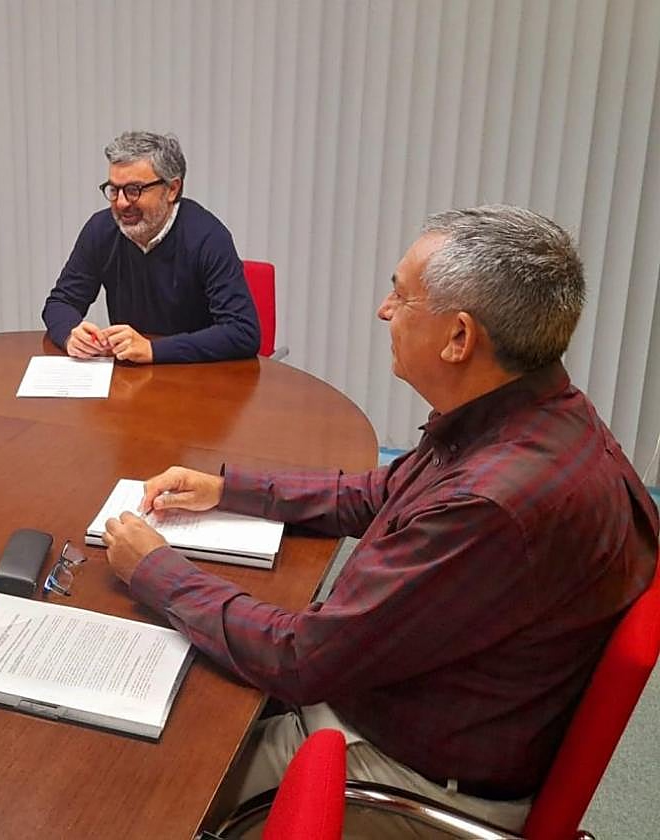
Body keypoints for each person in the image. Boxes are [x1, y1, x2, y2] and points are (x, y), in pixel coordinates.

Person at [101, 205, 659, 832]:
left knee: (142, 784)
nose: (383, 310)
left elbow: (299, 658)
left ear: (459, 338)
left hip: (407, 770)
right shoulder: (532, 415)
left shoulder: (493, 504)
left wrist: (155, 570)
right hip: (436, 703)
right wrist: (228, 489)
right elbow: (379, 492)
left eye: (401, 294)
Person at [42, 131, 260, 364]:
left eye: (134, 190)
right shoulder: (101, 230)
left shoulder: (208, 237)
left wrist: (153, 350)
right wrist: (70, 334)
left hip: (196, 378)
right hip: (130, 378)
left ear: (172, 189)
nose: (122, 203)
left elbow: (242, 332)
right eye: (114, 190)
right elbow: (60, 302)